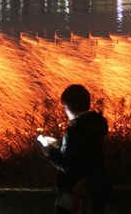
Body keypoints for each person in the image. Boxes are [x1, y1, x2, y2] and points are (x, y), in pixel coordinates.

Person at [42, 84, 113, 214]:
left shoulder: (75, 131)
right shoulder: (94, 124)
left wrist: (50, 152)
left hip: (76, 192)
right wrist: (60, 144)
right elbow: (83, 151)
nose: (64, 110)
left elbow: (68, 166)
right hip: (96, 188)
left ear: (70, 107)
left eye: (64, 106)